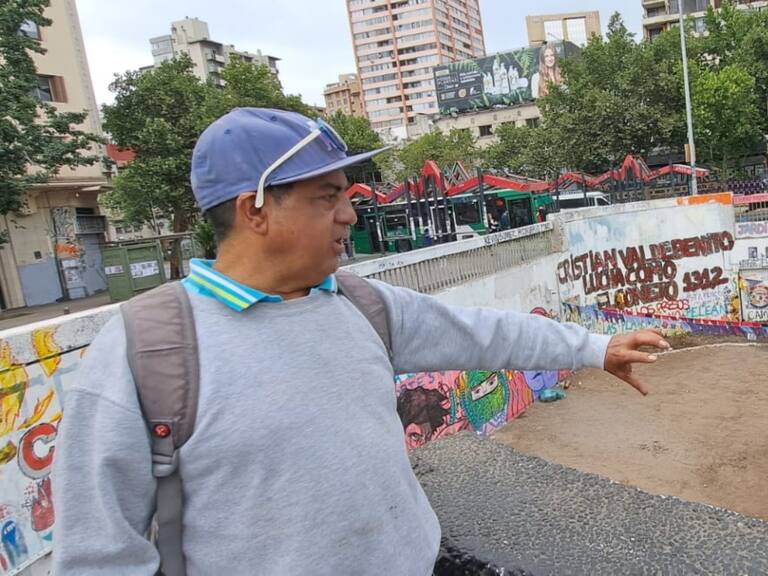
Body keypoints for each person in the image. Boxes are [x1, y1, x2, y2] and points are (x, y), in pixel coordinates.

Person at [52, 107, 669, 575]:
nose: (350, 214)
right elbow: (97, 550)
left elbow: (484, 331)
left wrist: (593, 348)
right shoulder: (148, 350)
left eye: (346, 195)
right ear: (255, 209)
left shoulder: (358, 304)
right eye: (327, 198)